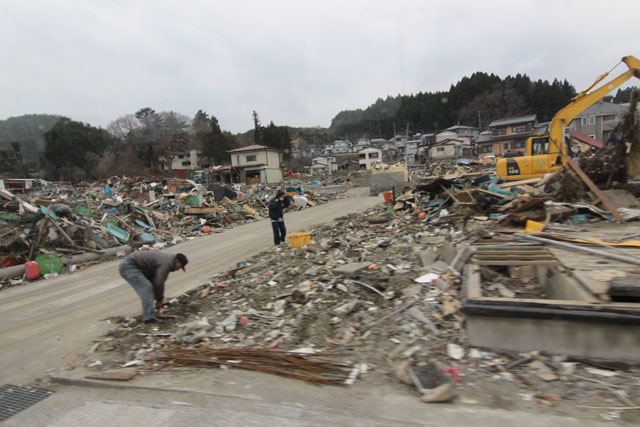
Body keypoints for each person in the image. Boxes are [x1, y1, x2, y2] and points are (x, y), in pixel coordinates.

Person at [119, 251, 188, 324]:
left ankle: (151, 314)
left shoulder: (168, 261)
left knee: (150, 287)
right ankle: (149, 318)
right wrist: (159, 299)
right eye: (180, 266)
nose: (178, 269)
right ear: (177, 261)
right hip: (129, 267)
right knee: (146, 288)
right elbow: (159, 282)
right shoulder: (167, 263)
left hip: (135, 266)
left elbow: (155, 281)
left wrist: (157, 297)